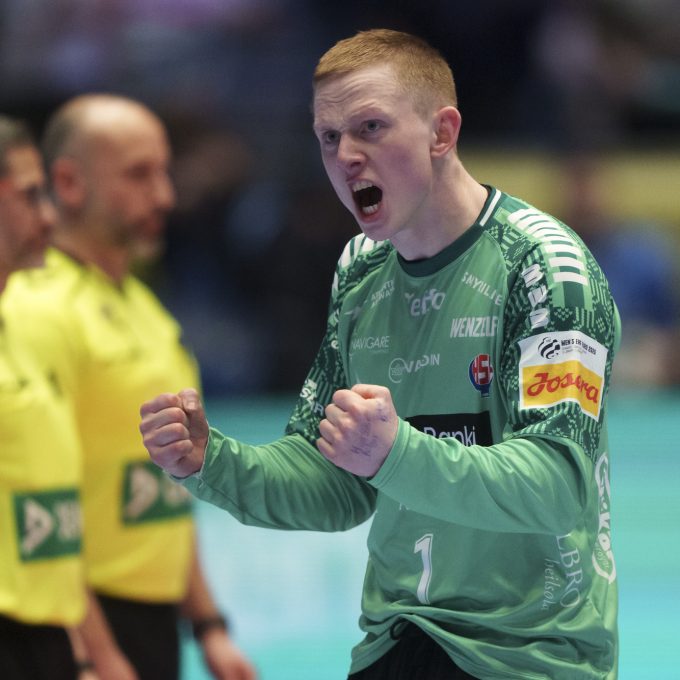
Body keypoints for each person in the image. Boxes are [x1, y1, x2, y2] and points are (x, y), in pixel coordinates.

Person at [140, 29, 620, 680]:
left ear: (442, 133)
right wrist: (210, 461)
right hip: (396, 639)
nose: (346, 156)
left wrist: (396, 452)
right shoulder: (361, 270)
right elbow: (336, 482)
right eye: (328, 137)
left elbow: (557, 487)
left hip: (527, 654)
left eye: (370, 127)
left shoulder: (544, 268)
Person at [6, 95, 256, 680]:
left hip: (154, 618)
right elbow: (39, 505)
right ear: (69, 183)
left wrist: (208, 624)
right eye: (139, 175)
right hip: (81, 615)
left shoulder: (148, 310)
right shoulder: (35, 311)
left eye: (164, 172)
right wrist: (94, 654)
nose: (165, 196)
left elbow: (172, 488)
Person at [0, 116, 85, 678]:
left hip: (46, 633)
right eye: (31, 196)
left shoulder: (23, 329)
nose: (50, 217)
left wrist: (80, 653)